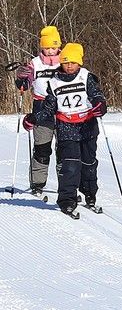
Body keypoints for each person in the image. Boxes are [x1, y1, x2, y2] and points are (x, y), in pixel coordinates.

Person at [25, 42, 107, 218]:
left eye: (73, 62)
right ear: (61, 62)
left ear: (79, 63)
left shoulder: (86, 77)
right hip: (66, 127)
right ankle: (67, 200)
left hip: (87, 126)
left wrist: (101, 105)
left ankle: (89, 193)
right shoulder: (54, 82)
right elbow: (48, 108)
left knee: (89, 163)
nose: (69, 66)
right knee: (70, 165)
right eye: (66, 62)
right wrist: (33, 118)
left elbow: (97, 96)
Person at [14, 25, 62, 196]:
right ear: (42, 47)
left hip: (63, 108)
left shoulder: (66, 61)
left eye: (53, 47)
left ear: (59, 47)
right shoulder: (35, 63)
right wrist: (21, 78)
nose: (50, 51)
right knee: (42, 147)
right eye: (47, 48)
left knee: (65, 148)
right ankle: (37, 183)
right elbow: (25, 84)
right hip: (41, 106)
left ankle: (66, 184)